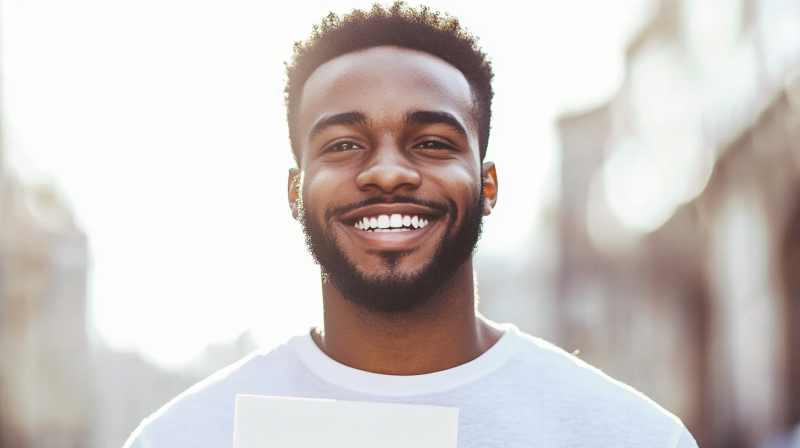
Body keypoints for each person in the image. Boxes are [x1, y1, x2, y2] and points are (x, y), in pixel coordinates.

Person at [123, 3, 698, 447]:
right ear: (296, 193)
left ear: (487, 185)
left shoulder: (630, 437)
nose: (388, 172)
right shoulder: (185, 438)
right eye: (345, 144)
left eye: (431, 142)